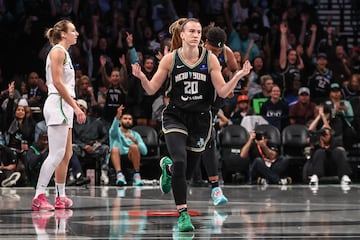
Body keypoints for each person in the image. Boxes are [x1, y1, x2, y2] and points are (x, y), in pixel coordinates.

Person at [131, 18, 252, 232]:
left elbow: (224, 92)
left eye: (198, 31)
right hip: (176, 116)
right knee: (180, 161)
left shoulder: (211, 59)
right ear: (183, 35)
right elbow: (151, 89)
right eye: (192, 31)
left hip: (201, 118)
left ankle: (167, 169)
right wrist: (141, 76)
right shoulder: (170, 59)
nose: (195, 34)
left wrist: (239, 75)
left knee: (184, 173)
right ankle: (183, 214)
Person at [31, 19, 86, 211]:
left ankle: (60, 196)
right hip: (58, 103)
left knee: (67, 153)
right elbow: (56, 82)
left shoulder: (65, 53)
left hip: (65, 104)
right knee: (56, 154)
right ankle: (39, 195)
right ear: (63, 34)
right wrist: (77, 107)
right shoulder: (57, 51)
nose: (77, 33)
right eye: (73, 30)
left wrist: (73, 105)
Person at [109, 105, 148, 186]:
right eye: (125, 119)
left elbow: (144, 152)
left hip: (130, 157)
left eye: (130, 119)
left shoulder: (135, 134)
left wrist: (135, 141)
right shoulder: (116, 132)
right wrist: (117, 116)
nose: (127, 121)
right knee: (115, 149)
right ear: (120, 121)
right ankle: (119, 175)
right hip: (116, 157)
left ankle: (137, 175)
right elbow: (113, 130)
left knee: (134, 147)